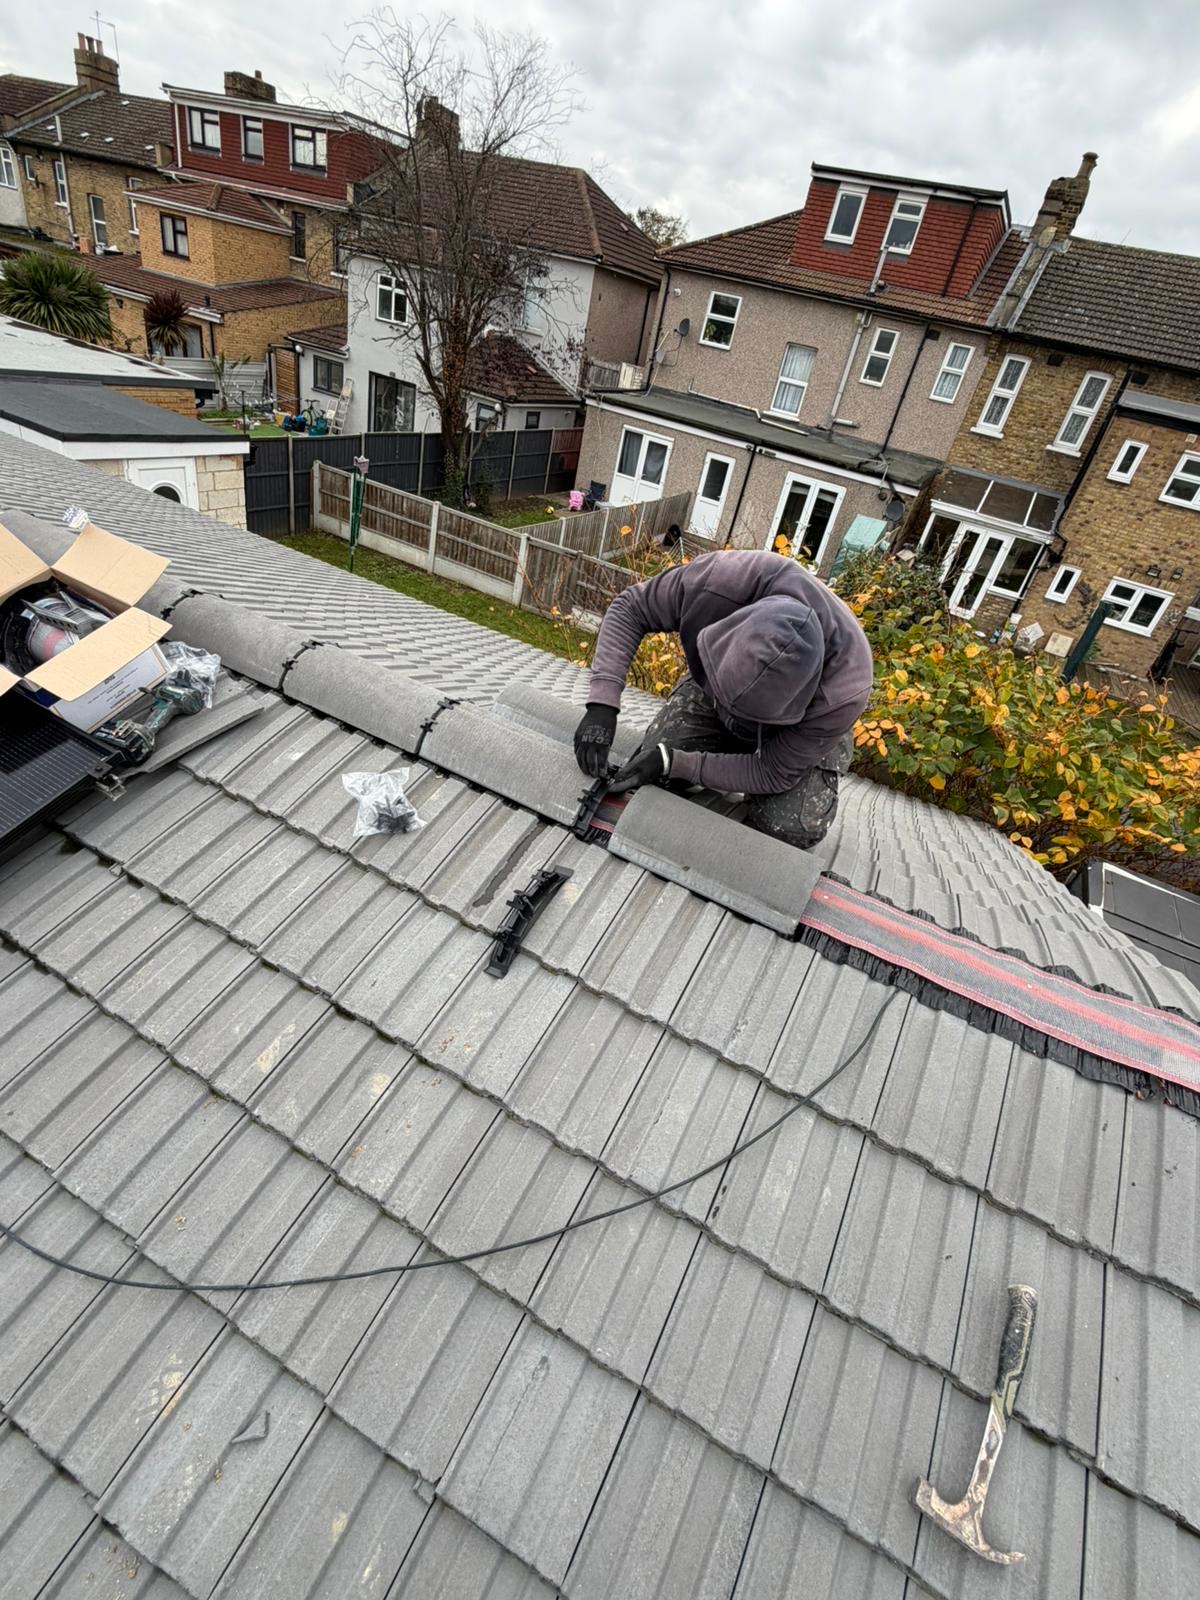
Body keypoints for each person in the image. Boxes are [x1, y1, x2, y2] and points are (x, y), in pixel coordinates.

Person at [573, 549, 874, 850]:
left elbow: (772, 771)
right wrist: (603, 704)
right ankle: (718, 725)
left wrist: (678, 762)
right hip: (709, 691)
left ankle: (745, 754)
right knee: (654, 768)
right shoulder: (718, 584)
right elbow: (630, 608)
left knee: (788, 826)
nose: (734, 717)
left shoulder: (844, 690)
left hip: (800, 734)